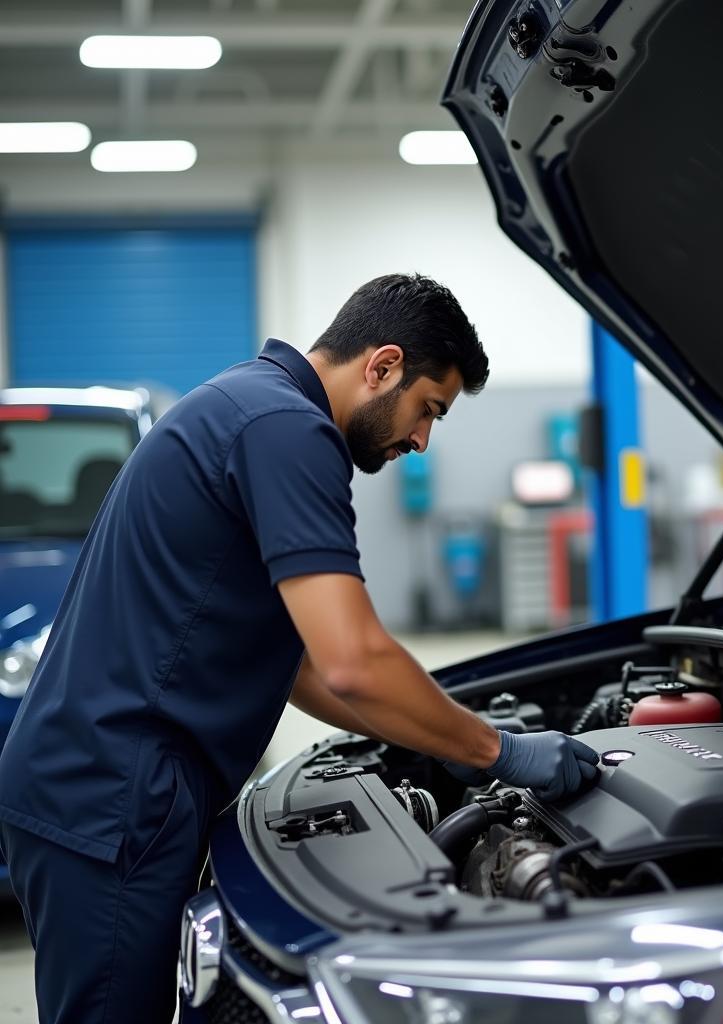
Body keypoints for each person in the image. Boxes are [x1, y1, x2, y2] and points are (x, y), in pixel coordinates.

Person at [0, 273, 599, 1024]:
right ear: (382, 366)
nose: (420, 440)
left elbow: (308, 668)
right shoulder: (287, 430)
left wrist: (438, 736)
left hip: (94, 783)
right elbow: (354, 659)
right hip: (113, 795)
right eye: (427, 410)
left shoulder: (246, 401)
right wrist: (496, 751)